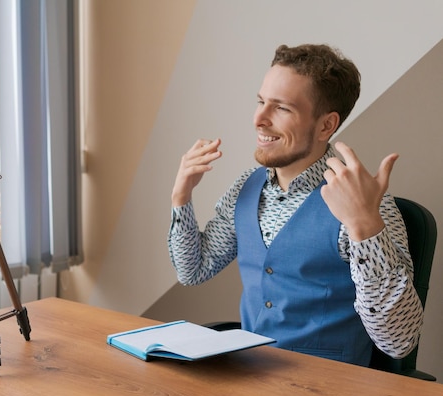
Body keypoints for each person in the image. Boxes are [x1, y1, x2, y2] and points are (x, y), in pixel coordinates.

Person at [167, 44, 423, 366]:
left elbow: (399, 341)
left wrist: (365, 227)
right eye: (261, 102)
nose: (259, 119)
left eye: (282, 108)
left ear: (326, 126)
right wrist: (181, 197)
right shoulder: (246, 188)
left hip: (328, 392)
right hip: (250, 376)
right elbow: (193, 269)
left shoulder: (366, 203)